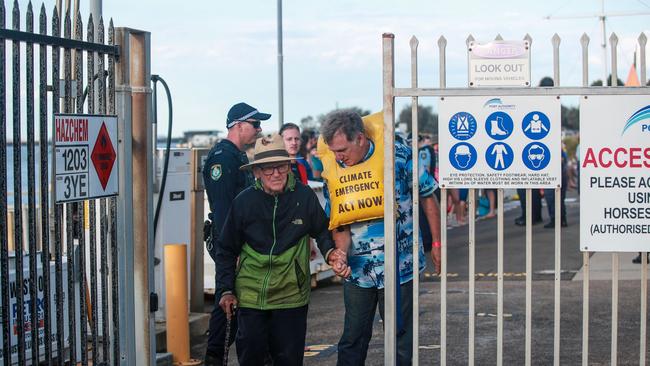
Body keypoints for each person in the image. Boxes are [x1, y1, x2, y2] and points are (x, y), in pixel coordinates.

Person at [317, 110, 442, 366]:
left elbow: (428, 195)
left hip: (401, 267)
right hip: (358, 272)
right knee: (353, 338)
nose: (338, 157)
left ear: (360, 139)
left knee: (400, 338)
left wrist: (437, 244)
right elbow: (340, 225)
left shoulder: (398, 156)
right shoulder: (334, 170)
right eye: (333, 151)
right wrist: (340, 255)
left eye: (342, 150)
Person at [214, 134, 350, 366]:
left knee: (288, 360)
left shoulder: (303, 196)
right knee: (251, 357)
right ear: (256, 172)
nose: (275, 174)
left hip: (291, 295)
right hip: (250, 295)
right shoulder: (244, 202)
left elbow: (322, 231)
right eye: (268, 169)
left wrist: (331, 254)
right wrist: (226, 289)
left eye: (280, 166)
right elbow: (226, 249)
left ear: (289, 166)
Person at [202, 102, 269, 365]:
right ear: (238, 126)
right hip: (231, 243)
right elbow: (223, 210)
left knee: (239, 301)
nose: (259, 130)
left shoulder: (238, 156)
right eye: (255, 125)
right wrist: (235, 250)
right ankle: (214, 356)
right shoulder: (223, 158)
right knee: (227, 299)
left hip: (243, 242)